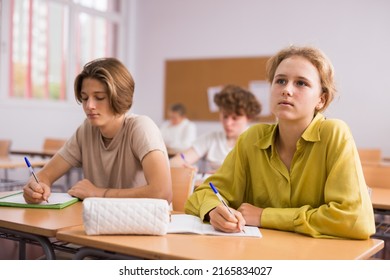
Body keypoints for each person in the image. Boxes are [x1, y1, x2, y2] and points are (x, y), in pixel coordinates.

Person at [185, 46, 376, 239]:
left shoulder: (334, 133)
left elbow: (357, 220)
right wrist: (214, 210)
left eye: (301, 83)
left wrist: (264, 216)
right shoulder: (252, 138)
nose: (286, 90)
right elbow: (201, 195)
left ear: (321, 99)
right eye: (280, 81)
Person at [23, 57, 172, 204]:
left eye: (99, 97)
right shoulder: (86, 130)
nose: (89, 106)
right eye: (85, 98)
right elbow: (45, 175)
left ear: (120, 97)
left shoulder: (141, 128)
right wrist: (35, 187)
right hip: (102, 222)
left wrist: (98, 193)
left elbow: (162, 192)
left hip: (144, 223)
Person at [170, 84, 262, 175]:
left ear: (249, 117)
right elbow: (175, 162)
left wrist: (227, 175)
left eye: (235, 118)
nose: (228, 123)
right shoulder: (211, 139)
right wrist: (182, 166)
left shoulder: (257, 141)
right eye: (225, 116)